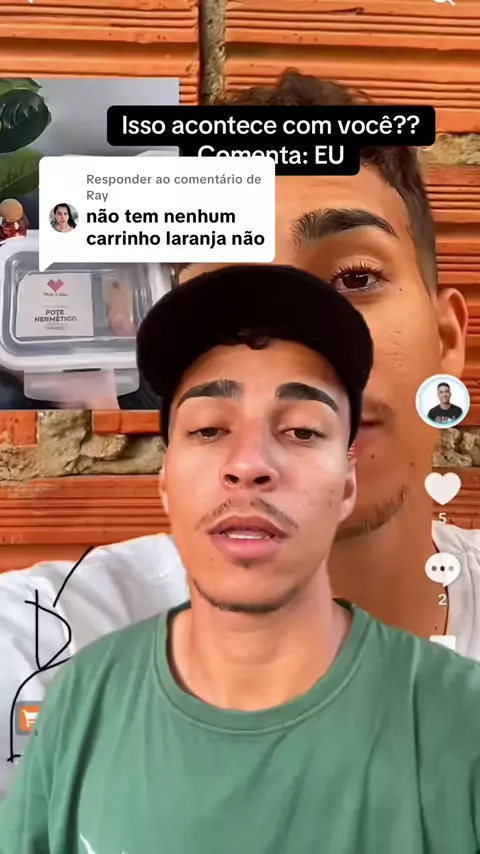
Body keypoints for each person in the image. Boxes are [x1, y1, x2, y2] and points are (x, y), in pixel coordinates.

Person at [1, 68, 480, 801]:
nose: (297, 355)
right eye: (233, 302)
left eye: (354, 278)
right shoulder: (45, 647)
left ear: (447, 339)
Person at [2, 264, 480, 854]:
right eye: (208, 430)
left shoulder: (462, 721)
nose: (249, 464)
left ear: (347, 484)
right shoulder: (81, 700)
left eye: (302, 431)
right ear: (166, 481)